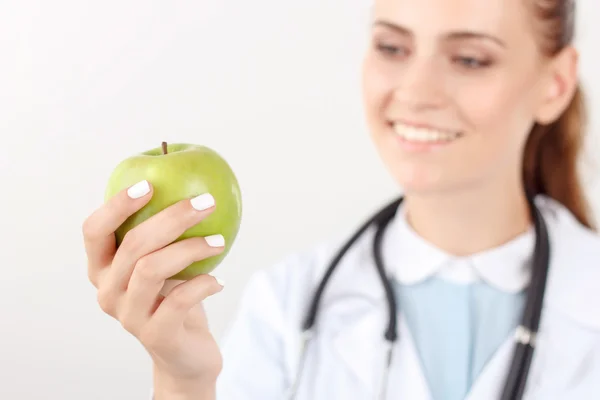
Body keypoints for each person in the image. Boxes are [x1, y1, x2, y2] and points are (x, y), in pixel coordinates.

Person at [82, 0, 600, 398]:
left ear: (555, 84)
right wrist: (183, 378)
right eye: (393, 48)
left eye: (469, 58)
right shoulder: (288, 305)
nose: (417, 91)